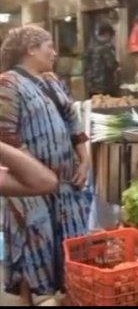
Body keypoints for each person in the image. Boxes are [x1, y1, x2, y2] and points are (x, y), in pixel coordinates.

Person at [0, 25, 91, 305]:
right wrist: (34, 171)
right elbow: (6, 136)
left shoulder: (52, 81)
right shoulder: (8, 83)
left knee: (67, 244)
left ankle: (66, 295)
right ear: (30, 49)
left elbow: (73, 122)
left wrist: (85, 158)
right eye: (48, 46)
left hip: (65, 183)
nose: (54, 52)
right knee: (32, 244)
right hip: (29, 186)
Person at [85, 22, 119, 96]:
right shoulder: (106, 47)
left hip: (92, 87)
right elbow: (111, 65)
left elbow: (86, 65)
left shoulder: (90, 46)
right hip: (105, 87)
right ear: (107, 34)